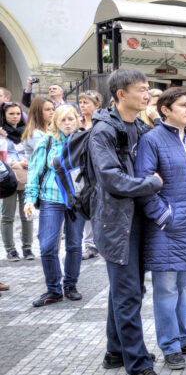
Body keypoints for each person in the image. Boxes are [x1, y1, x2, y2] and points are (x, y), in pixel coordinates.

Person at [90, 68, 165, 375]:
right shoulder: (104, 131)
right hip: (115, 221)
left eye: (148, 89)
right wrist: (151, 183)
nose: (147, 94)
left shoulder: (138, 125)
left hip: (135, 219)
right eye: (141, 89)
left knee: (126, 290)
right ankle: (138, 366)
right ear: (121, 94)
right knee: (128, 292)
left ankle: (115, 351)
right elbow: (111, 179)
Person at [134, 87, 186, 370]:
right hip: (168, 229)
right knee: (166, 289)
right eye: (182, 105)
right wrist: (164, 217)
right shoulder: (152, 140)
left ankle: (183, 337)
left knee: (184, 285)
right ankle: (169, 345)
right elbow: (145, 184)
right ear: (166, 110)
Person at [24, 105, 86, 307]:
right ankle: (53, 289)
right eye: (63, 120)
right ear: (56, 123)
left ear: (77, 120)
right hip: (51, 198)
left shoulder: (84, 141)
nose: (68, 123)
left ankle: (70, 285)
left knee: (75, 245)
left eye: (71, 119)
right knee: (47, 246)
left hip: (76, 199)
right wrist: (30, 198)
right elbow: (34, 171)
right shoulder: (47, 141)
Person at [1, 102, 33, 261]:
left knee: (27, 213)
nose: (15, 117)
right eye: (11, 114)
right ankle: (10, 249)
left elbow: (33, 150)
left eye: (18, 113)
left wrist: (28, 161)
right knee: (8, 215)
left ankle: (27, 248)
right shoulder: (1, 133)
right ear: (4, 116)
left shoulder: (27, 132)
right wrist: (15, 163)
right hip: (8, 178)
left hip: (27, 176)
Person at [78, 90, 103, 259]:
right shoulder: (75, 123)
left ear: (97, 105)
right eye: (80, 102)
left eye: (86, 102)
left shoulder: (101, 124)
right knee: (85, 205)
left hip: (98, 171)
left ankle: (100, 241)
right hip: (80, 172)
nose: (82, 106)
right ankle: (89, 244)